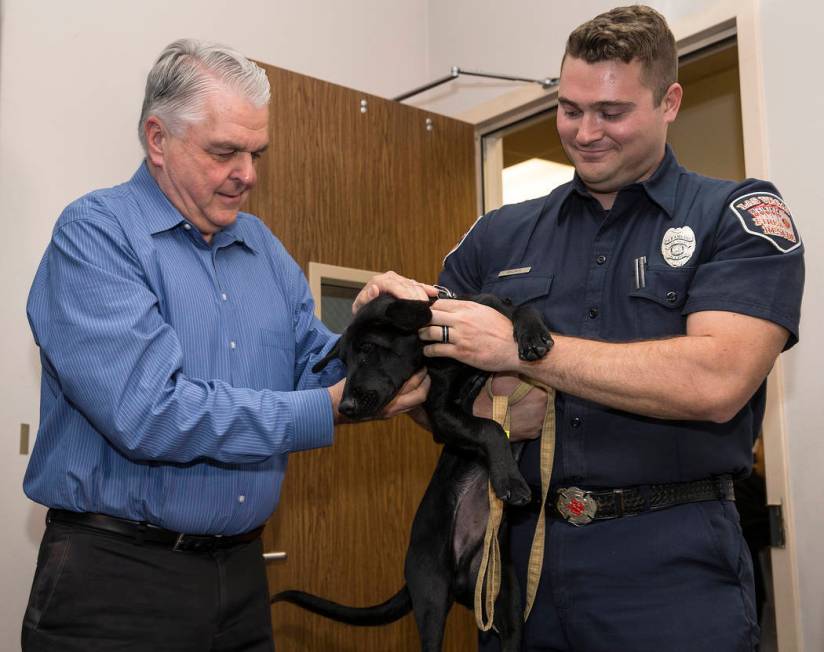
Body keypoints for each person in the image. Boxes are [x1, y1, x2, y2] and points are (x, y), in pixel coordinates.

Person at [357, 6, 804, 651]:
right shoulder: (497, 235)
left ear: (669, 101)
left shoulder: (734, 217)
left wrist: (526, 354)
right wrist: (389, 321)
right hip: (522, 565)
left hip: (671, 568)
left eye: (612, 112)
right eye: (569, 109)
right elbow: (429, 393)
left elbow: (718, 379)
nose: (585, 132)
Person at [21, 39, 431, 652]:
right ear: (157, 139)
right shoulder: (97, 235)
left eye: (256, 152)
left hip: (241, 576)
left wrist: (374, 331)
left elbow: (314, 368)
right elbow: (151, 413)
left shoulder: (261, 247)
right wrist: (331, 407)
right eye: (225, 152)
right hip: (117, 583)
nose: (248, 174)